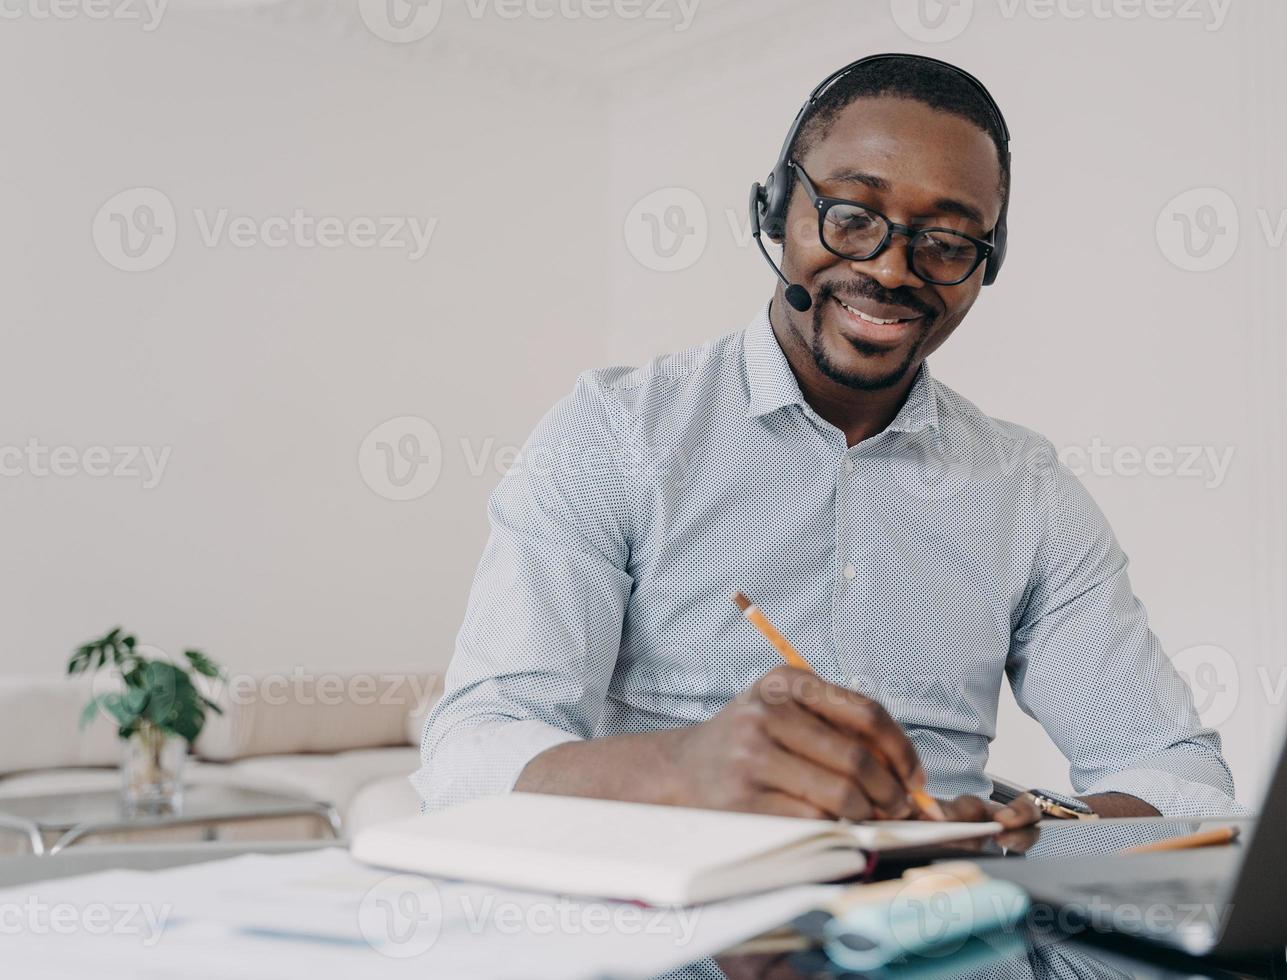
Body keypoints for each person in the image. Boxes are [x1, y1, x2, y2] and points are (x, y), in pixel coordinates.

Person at [412, 54, 1239, 827]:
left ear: (987, 263)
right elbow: (470, 754)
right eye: (850, 216)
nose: (889, 270)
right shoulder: (618, 431)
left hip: (945, 929)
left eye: (947, 242)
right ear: (774, 210)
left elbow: (1177, 774)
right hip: (690, 930)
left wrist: (1027, 832)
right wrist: (682, 770)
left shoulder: (1025, 487)